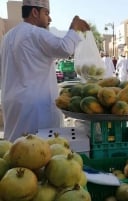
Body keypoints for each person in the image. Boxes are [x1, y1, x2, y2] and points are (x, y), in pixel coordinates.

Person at [0, 0, 90, 141]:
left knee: (14, 150)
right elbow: (65, 48)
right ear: (35, 12)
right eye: (46, 13)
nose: (50, 19)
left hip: (11, 103)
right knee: (36, 150)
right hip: (35, 108)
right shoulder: (34, 33)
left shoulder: (8, 37)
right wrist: (74, 27)